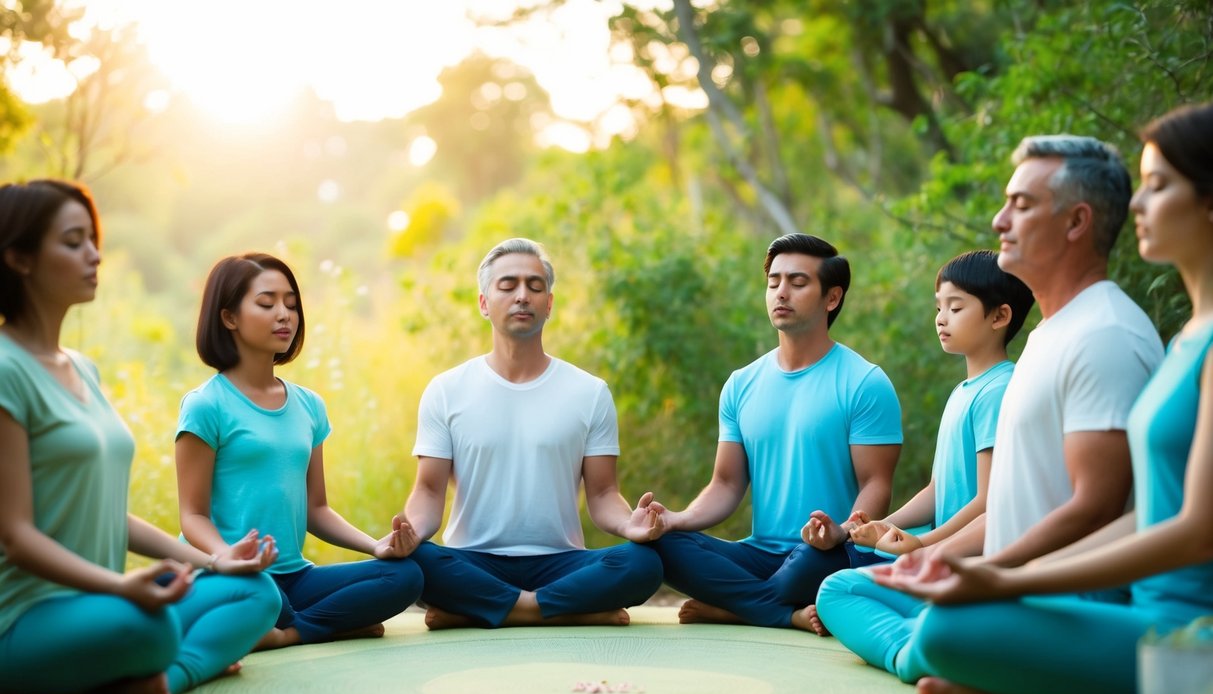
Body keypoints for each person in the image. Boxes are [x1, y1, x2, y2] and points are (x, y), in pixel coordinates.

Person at [871, 101, 1213, 694]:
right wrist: (975, 565)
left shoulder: (1111, 332)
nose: (1137, 203)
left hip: (1182, 629)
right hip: (1125, 609)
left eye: (1158, 186)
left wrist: (1005, 578)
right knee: (868, 591)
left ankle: (1008, 684)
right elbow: (1144, 515)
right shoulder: (1185, 337)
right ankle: (1004, 675)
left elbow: (1176, 524)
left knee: (947, 629)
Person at [816, 134, 1165, 686]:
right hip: (1001, 586)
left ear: (1076, 222)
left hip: (1059, 600)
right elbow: (1003, 503)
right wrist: (941, 560)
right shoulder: (1050, 336)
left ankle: (938, 659)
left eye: (1021, 205)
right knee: (843, 588)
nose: (1001, 219)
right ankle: (945, 654)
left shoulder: (1105, 336)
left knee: (937, 630)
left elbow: (1096, 508)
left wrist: (985, 573)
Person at [0, 180, 280, 694]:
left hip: (101, 604)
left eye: (93, 239)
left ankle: (161, 681)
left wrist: (212, 562)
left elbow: (111, 514)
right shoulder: (5, 370)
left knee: (256, 592)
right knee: (151, 629)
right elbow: (15, 535)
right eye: (73, 241)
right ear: (19, 258)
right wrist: (120, 587)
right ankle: (164, 658)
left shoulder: (82, 368)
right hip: (24, 617)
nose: (94, 255)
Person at [399, 238, 664, 629]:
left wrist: (630, 525)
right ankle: (566, 611)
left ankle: (491, 610)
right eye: (508, 286)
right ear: (484, 303)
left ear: (549, 304)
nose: (522, 296)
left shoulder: (589, 392)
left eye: (534, 286)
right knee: (415, 563)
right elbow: (429, 491)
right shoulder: (446, 389)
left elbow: (604, 493)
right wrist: (410, 534)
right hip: (473, 560)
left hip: (560, 562)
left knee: (644, 563)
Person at [649, 233, 903, 631]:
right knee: (659, 547)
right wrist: (675, 520)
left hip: (826, 552)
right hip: (759, 553)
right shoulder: (740, 384)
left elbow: (876, 484)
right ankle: (779, 611)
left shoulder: (865, 382)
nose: (781, 292)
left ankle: (736, 606)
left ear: (831, 298)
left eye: (798, 283)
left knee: (807, 565)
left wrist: (842, 532)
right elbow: (726, 484)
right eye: (774, 283)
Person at [176, 253, 423, 650]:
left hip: (295, 576)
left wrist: (376, 546)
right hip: (231, 575)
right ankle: (334, 623)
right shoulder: (206, 405)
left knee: (405, 576)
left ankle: (290, 632)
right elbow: (193, 516)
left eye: (291, 304)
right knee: (263, 595)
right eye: (267, 302)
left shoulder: (308, 405)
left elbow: (316, 509)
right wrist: (228, 557)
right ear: (229, 318)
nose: (284, 315)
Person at [801, 251, 1033, 634]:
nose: (941, 318)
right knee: (825, 566)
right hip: (935, 553)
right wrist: (879, 527)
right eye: (939, 306)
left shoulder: (999, 390)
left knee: (830, 587)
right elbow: (937, 489)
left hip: (970, 558)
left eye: (955, 308)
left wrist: (922, 546)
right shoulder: (963, 391)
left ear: (999, 316)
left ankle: (926, 632)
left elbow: (987, 500)